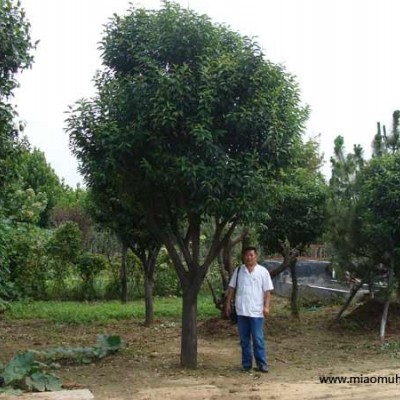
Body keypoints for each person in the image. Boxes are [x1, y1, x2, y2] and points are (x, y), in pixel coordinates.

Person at [225, 246, 273, 373]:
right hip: (242, 311)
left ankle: (262, 364)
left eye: (251, 255)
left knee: (258, 338)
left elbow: (267, 291)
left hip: (257, 311)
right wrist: (228, 304)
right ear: (243, 256)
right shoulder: (239, 271)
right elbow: (231, 288)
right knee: (244, 339)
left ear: (256, 256)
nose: (249, 257)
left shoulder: (263, 272)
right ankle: (246, 364)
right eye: (246, 255)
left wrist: (266, 307)